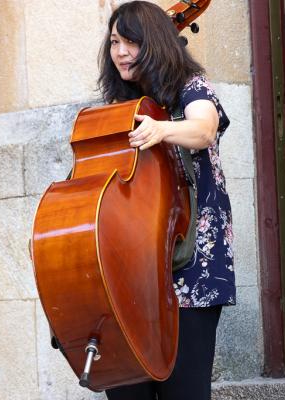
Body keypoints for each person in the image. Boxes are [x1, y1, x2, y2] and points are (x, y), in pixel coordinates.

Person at [98, 2, 236, 399]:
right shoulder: (120, 108)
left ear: (155, 43)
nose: (120, 52)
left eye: (131, 42)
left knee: (186, 392)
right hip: (133, 272)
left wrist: (162, 129)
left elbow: (204, 129)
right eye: (114, 43)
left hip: (191, 264)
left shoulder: (191, 87)